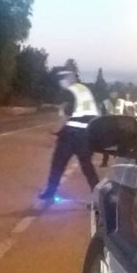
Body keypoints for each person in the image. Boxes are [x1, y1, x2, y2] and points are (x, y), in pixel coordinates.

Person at [38, 70, 101, 201]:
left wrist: (54, 131)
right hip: (85, 135)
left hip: (71, 135)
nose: (60, 83)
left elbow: (67, 115)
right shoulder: (84, 90)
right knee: (87, 166)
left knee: (58, 164)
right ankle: (98, 195)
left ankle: (50, 193)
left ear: (67, 79)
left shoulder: (71, 91)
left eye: (61, 80)